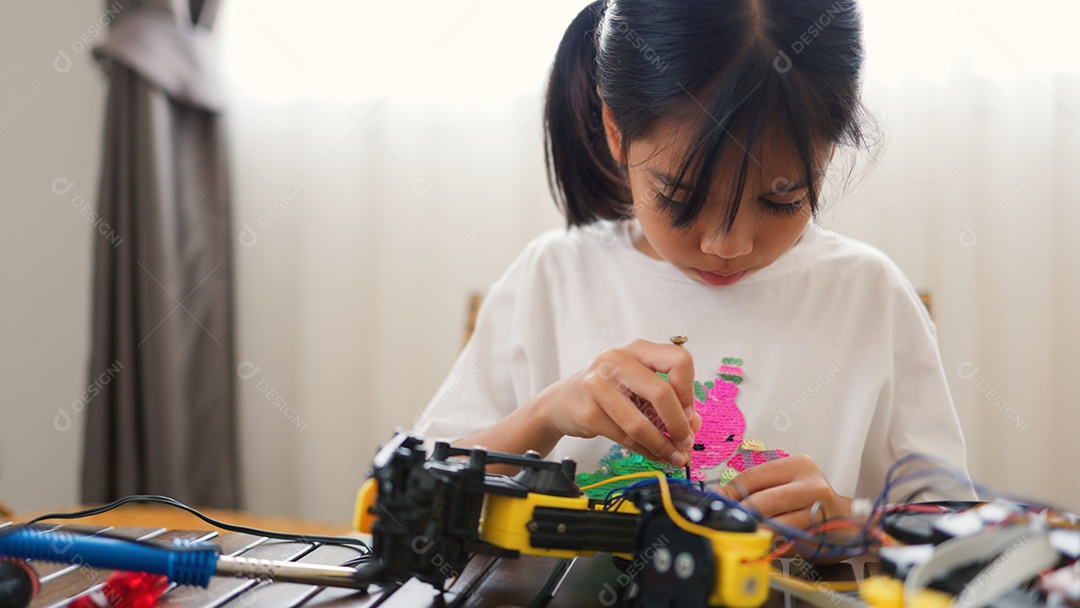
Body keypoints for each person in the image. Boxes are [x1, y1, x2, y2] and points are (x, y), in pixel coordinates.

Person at [414, 0, 970, 533]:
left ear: (826, 157)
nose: (727, 244)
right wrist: (547, 413)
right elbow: (410, 503)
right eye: (681, 198)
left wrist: (852, 518)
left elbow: (963, 531)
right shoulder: (551, 279)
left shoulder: (868, 296)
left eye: (782, 201)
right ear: (616, 130)